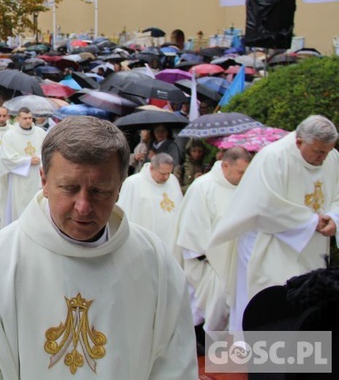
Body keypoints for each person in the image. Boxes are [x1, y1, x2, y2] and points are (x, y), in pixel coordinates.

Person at [0, 116, 197, 378]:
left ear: (119, 187)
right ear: (44, 180)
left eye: (100, 190)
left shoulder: (154, 262)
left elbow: (175, 363)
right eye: (69, 188)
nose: (83, 206)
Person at [208, 115, 339, 332]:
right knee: (274, 304)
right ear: (299, 142)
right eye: (318, 152)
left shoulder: (332, 157)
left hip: (313, 246)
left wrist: (334, 218)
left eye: (327, 151)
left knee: (311, 305)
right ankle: (268, 362)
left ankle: (306, 361)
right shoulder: (273, 157)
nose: (323, 158)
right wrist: (311, 221)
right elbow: (262, 205)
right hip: (271, 245)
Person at [176, 147, 251, 334]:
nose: (244, 177)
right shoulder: (202, 187)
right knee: (213, 308)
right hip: (209, 263)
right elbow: (191, 229)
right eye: (241, 172)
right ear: (225, 165)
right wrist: (209, 258)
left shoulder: (246, 189)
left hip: (239, 261)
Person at [117, 153, 183, 249]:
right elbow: (123, 214)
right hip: (145, 242)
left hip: (170, 239)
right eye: (162, 173)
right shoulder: (133, 183)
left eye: (169, 173)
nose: (166, 177)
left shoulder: (173, 181)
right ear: (152, 168)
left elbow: (180, 208)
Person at [0, 107, 46, 227]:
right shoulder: (9, 135)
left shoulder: (40, 133)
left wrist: (39, 158)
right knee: (18, 205)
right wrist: (27, 161)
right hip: (19, 178)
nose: (28, 121)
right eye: (25, 118)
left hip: (36, 175)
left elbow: (48, 150)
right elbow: (6, 157)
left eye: (30, 118)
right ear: (18, 119)